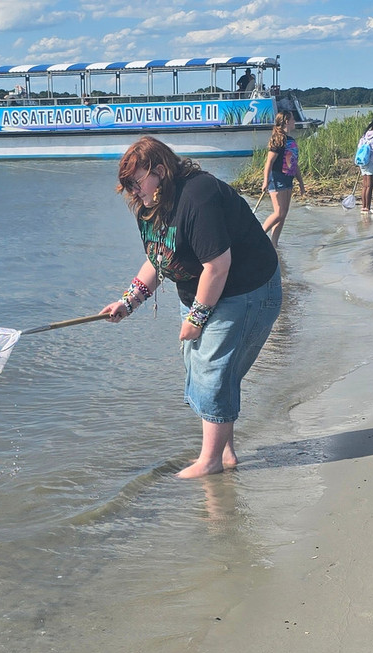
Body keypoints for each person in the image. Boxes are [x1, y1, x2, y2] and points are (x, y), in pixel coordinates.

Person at [101, 136, 282, 479]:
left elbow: (218, 265)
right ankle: (224, 452)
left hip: (247, 288)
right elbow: (158, 258)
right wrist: (129, 301)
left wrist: (196, 320)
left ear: (159, 170)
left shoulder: (198, 197)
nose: (133, 193)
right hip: (208, 291)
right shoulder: (150, 205)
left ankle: (210, 460)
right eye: (128, 187)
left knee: (213, 370)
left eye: (136, 184)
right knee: (200, 367)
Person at [261, 112, 306, 246]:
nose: (294, 121)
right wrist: (265, 181)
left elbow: (294, 163)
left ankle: (274, 244)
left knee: (283, 214)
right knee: (279, 212)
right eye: (292, 119)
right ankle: (259, 237)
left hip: (288, 179)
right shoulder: (278, 139)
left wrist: (301, 184)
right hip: (276, 178)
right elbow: (269, 162)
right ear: (286, 121)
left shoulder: (291, 140)